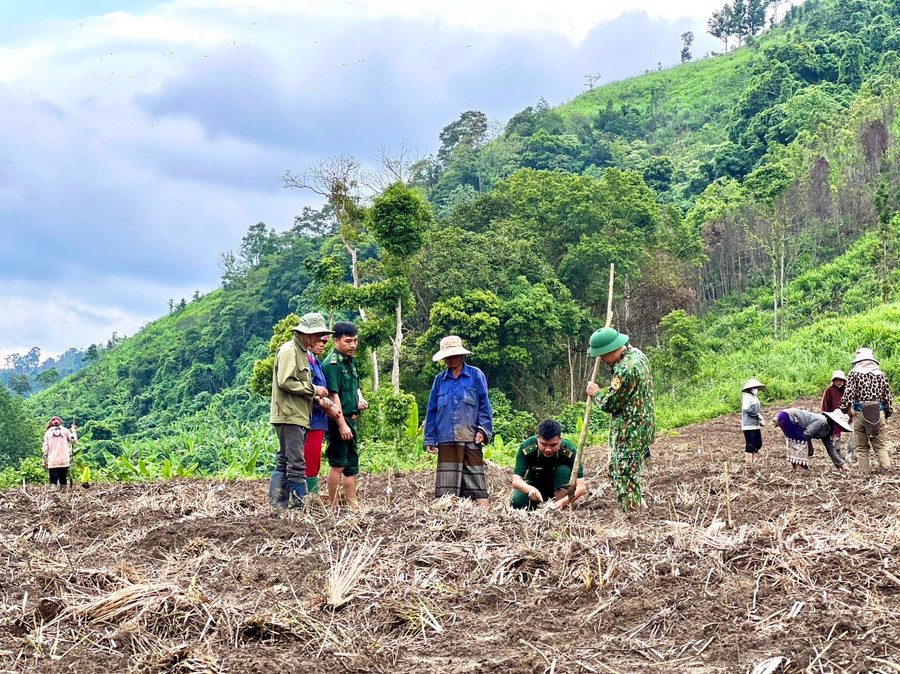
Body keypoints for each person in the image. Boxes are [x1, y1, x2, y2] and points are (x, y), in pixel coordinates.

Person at [585, 327, 655, 513]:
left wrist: (596, 393)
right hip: (641, 427)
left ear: (608, 352)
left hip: (631, 431)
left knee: (624, 475)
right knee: (617, 471)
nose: (601, 360)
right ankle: (640, 507)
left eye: (601, 356)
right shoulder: (637, 355)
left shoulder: (624, 370)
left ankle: (633, 518)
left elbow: (610, 403)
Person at [268, 313, 331, 509]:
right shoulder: (290, 351)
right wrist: (315, 390)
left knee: (285, 460)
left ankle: (279, 506)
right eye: (317, 335)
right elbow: (285, 381)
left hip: (296, 415)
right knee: (295, 462)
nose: (319, 339)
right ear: (307, 334)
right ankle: (300, 506)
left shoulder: (301, 352)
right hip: (289, 415)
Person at [424, 335, 494, 509]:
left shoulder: (475, 375)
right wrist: (430, 438)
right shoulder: (439, 380)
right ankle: (447, 518)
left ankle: (485, 516)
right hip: (446, 437)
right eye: (448, 356)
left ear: (461, 355)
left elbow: (485, 405)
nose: (452, 359)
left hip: (470, 435)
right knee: (447, 486)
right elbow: (432, 410)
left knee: (476, 482)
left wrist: (483, 430)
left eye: (455, 355)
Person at [322, 321, 369, 508]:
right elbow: (333, 395)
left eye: (355, 341)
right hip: (338, 421)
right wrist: (342, 424)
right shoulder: (332, 364)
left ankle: (353, 505)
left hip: (351, 419)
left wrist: (360, 399)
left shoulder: (351, 361)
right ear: (336, 341)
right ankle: (332, 507)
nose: (353, 345)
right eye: (348, 341)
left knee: (351, 466)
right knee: (338, 464)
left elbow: (354, 387)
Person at [841, 347, 893, 477]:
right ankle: (886, 471)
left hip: (860, 412)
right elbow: (888, 398)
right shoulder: (881, 375)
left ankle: (864, 474)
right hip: (878, 412)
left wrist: (845, 409)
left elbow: (848, 396)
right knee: (879, 445)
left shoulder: (854, 374)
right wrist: (887, 414)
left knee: (862, 448)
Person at [511, 419, 586, 510]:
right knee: (518, 502)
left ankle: (561, 508)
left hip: (560, 487)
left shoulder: (569, 450)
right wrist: (530, 490)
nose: (548, 449)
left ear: (560, 441)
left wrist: (564, 501)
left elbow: (581, 487)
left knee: (563, 470)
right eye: (544, 444)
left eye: (553, 445)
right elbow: (516, 480)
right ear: (537, 439)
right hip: (536, 485)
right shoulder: (527, 447)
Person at [303, 314, 339, 496]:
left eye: (325, 341)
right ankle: (311, 496)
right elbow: (306, 389)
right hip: (309, 418)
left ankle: (312, 494)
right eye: (320, 340)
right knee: (308, 458)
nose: (323, 344)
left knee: (315, 458)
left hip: (319, 419)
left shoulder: (316, 363)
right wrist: (323, 402)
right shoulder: (304, 361)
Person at [774, 408, 852, 472]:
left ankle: (795, 469)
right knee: (801, 442)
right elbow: (807, 434)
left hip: (784, 416)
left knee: (796, 442)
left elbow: (830, 448)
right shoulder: (822, 422)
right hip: (789, 417)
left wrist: (841, 464)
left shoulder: (828, 430)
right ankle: (800, 469)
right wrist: (810, 449)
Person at [821, 370, 853, 462]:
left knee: (853, 434)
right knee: (836, 437)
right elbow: (825, 404)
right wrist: (825, 417)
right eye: (837, 380)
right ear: (834, 381)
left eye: (840, 380)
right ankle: (837, 454)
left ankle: (849, 454)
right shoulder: (829, 390)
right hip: (834, 417)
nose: (839, 382)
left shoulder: (848, 390)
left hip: (847, 416)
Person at [42, 416, 77, 489]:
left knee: (53, 481)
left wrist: (44, 461)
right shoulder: (66, 431)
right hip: (64, 460)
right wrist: (73, 431)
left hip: (53, 461)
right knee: (63, 480)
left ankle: (53, 495)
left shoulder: (48, 433)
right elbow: (74, 441)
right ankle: (63, 496)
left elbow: (45, 449)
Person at [740, 378, 766, 464]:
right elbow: (747, 409)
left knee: (758, 443)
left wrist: (758, 417)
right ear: (750, 389)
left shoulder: (754, 397)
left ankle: (753, 460)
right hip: (748, 425)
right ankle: (749, 462)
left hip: (755, 425)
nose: (756, 390)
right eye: (755, 388)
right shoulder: (746, 397)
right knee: (750, 443)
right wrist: (758, 415)